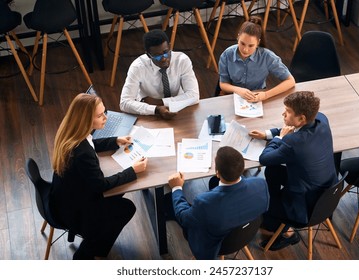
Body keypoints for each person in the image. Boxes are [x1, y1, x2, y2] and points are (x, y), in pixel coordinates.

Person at [50, 93, 148, 260]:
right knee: (126, 208)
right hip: (74, 210)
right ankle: (88, 252)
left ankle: (99, 248)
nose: (105, 118)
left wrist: (115, 140)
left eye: (105, 112)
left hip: (61, 197)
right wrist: (132, 171)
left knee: (118, 192)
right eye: (100, 115)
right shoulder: (82, 154)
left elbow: (90, 144)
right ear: (86, 120)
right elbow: (100, 186)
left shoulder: (72, 134)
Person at [249, 91, 337, 251]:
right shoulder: (321, 119)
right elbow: (293, 129)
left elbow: (264, 159)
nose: (283, 114)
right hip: (328, 193)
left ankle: (286, 233)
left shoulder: (293, 143)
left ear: (302, 118)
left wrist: (279, 138)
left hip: (306, 206)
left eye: (288, 112)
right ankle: (275, 210)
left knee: (260, 200)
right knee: (273, 170)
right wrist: (268, 134)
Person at [167, 146, 269, 260]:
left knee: (168, 202)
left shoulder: (205, 203)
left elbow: (183, 217)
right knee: (214, 183)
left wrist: (176, 187)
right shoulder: (261, 184)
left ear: (217, 172)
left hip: (218, 245)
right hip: (247, 234)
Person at [120, 29, 200, 119]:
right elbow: (124, 103)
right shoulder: (138, 67)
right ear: (148, 55)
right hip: (148, 111)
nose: (163, 59)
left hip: (178, 108)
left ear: (170, 47)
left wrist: (160, 102)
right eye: (157, 56)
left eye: (166, 52)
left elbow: (194, 96)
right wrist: (156, 109)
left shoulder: (182, 61)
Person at [218, 16, 295, 102]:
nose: (245, 49)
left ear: (258, 43)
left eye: (251, 45)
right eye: (242, 43)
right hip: (234, 96)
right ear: (238, 37)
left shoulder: (267, 56)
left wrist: (266, 95)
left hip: (258, 96)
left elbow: (290, 81)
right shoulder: (227, 55)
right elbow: (223, 84)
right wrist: (239, 90)